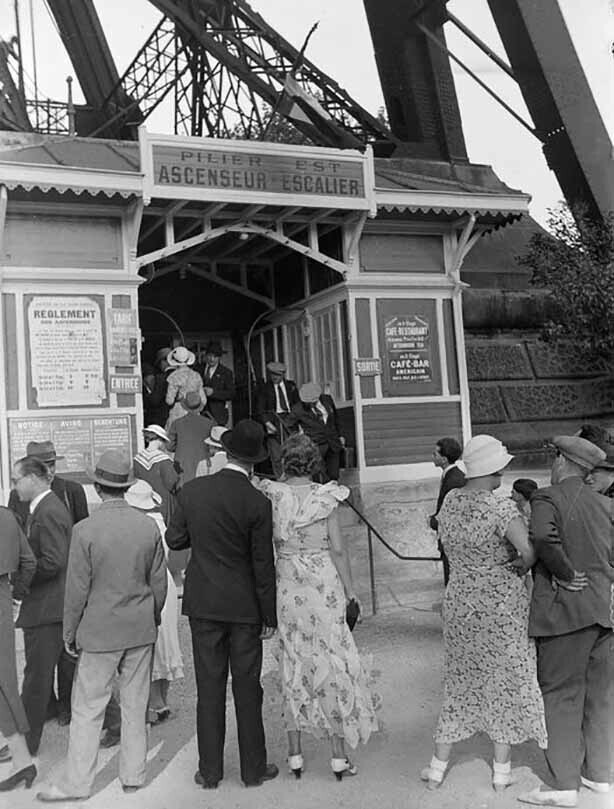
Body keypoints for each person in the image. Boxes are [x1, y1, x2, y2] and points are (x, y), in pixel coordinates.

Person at [36, 451, 167, 802]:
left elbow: (76, 590)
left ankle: (79, 783)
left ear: (97, 486)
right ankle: (133, 776)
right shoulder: (147, 526)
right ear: (127, 485)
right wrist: (150, 616)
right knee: (135, 704)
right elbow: (159, 584)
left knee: (88, 707)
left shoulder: (85, 530)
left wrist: (70, 632)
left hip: (98, 631)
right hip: (139, 627)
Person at [421, 435, 547, 791]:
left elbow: (445, 544)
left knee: (460, 679)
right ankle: (501, 771)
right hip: (499, 603)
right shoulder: (501, 508)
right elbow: (529, 552)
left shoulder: (451, 501)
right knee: (503, 678)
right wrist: (515, 568)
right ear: (493, 469)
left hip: (460, 599)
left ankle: (437, 766)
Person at [255, 434, 379, 781]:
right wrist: (352, 589)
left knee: (293, 660)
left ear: (284, 463)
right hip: (322, 580)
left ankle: (295, 754)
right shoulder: (326, 497)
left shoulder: (272, 495)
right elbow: (338, 550)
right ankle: (338, 757)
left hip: (287, 579)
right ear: (314, 463)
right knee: (331, 660)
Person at [166, 420, 278, 789]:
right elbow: (264, 563)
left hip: (204, 601)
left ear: (225, 453)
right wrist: (269, 615)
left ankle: (210, 771)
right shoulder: (258, 502)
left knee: (209, 688)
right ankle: (253, 769)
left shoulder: (193, 492)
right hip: (246, 604)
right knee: (248, 689)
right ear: (253, 461)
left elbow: (176, 540)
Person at [518, 436, 614, 807]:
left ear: (562, 461)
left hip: (563, 615)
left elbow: (542, 535)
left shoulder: (546, 496)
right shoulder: (606, 505)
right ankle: (600, 777)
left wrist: (563, 569)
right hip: (603, 614)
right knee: (601, 698)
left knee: (560, 696)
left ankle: (563, 786)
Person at [8, 440, 88, 727]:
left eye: (53, 464)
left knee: (64, 662)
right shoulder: (21, 497)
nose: (51, 470)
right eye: (46, 464)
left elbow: (77, 538)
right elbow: (16, 535)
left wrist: (23, 575)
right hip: (47, 594)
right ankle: (50, 708)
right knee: (45, 667)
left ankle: (64, 708)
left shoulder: (68, 494)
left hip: (57, 592)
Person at [11, 456, 73, 757]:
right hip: (53, 606)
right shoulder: (45, 508)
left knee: (35, 680)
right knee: (79, 672)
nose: (15, 486)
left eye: (17, 479)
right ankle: (114, 723)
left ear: (34, 478)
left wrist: (20, 577)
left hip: (46, 608)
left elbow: (53, 560)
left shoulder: (47, 511)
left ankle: (24, 746)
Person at [126, 480, 183, 724]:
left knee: (149, 645)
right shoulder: (161, 522)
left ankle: (152, 704)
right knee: (166, 641)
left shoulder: (136, 525)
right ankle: (162, 700)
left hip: (146, 583)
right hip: (166, 582)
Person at [0, 508, 37, 792]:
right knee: (5, 682)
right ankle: (20, 755)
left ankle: (21, 758)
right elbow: (28, 561)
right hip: (2, 597)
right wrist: (15, 596)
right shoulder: (6, 517)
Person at [428, 438, 465, 586]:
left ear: (443, 459)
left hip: (454, 541)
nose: (432, 456)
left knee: (453, 582)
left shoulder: (455, 480)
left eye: (435, 454)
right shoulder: (450, 476)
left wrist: (433, 521)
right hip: (447, 539)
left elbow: (453, 512)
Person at [290, 382, 344, 482]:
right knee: (319, 474)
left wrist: (340, 435)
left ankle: (333, 493)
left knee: (334, 474)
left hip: (333, 441)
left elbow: (336, 418)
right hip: (316, 444)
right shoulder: (298, 409)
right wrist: (300, 438)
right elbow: (289, 426)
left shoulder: (327, 399)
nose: (311, 403)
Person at [255, 361, 299, 478]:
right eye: (272, 374)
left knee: (293, 453)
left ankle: (294, 479)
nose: (274, 377)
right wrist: (267, 423)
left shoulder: (291, 386)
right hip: (273, 421)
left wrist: (298, 423)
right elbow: (260, 409)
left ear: (283, 375)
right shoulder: (264, 388)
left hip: (290, 421)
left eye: (277, 375)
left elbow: (298, 406)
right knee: (277, 456)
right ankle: (281, 479)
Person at [133, 425, 179, 523]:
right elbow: (171, 483)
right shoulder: (164, 460)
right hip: (163, 502)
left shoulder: (137, 459)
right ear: (159, 440)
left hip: (143, 500)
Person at [167, 391, 214, 485]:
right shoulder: (209, 424)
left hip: (182, 469)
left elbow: (169, 446)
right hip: (203, 468)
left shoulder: (177, 423)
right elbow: (212, 449)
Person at [165, 346, 206, 429]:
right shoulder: (196, 375)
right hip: (194, 410)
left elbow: (169, 401)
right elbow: (203, 400)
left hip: (178, 411)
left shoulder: (173, 377)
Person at [201, 340, 235, 426]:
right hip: (200, 413)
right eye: (210, 356)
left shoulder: (226, 372)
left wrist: (213, 393)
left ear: (219, 357)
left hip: (218, 416)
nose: (212, 359)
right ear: (205, 355)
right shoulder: (198, 369)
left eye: (215, 357)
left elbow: (231, 394)